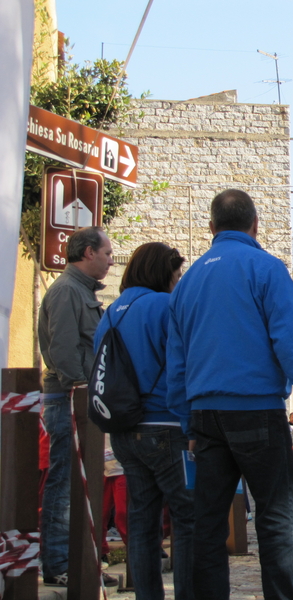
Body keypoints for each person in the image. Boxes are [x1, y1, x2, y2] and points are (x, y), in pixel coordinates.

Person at [167, 189, 293, 599]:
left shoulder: (187, 283)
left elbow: (177, 362)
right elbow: (291, 343)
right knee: (275, 517)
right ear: (255, 225)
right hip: (256, 410)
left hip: (205, 415)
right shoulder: (267, 269)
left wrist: (186, 420)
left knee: (208, 524)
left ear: (211, 228)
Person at [94, 242, 194, 599]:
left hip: (124, 430)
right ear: (163, 272)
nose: (178, 281)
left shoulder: (110, 312)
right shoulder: (165, 306)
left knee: (142, 520)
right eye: (176, 273)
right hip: (165, 425)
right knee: (187, 518)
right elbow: (182, 365)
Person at [37, 226, 116, 587]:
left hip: (80, 399)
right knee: (65, 483)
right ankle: (58, 562)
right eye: (107, 253)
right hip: (70, 399)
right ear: (88, 253)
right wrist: (84, 390)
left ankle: (78, 563)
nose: (110, 260)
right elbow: (64, 352)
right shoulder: (67, 291)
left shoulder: (79, 291)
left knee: (79, 484)